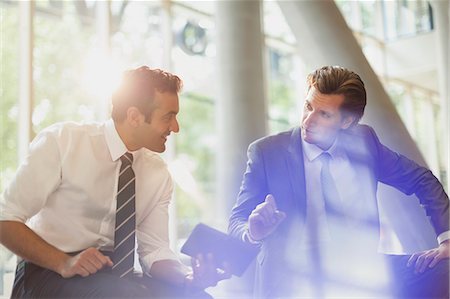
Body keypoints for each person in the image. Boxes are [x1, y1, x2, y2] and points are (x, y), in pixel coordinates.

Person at [0, 66, 230, 298]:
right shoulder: (63, 142)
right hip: (48, 271)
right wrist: (64, 263)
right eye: (168, 117)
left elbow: (155, 251)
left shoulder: (157, 173)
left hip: (113, 277)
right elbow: (5, 219)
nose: (176, 127)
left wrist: (187, 277)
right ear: (134, 116)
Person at [228, 65, 449, 298]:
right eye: (308, 106)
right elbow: (236, 221)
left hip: (359, 273)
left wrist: (447, 240)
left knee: (445, 271)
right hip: (295, 282)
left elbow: (421, 179)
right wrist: (253, 232)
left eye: (324, 114)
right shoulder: (267, 152)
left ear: (346, 122)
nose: (308, 120)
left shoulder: (364, 141)